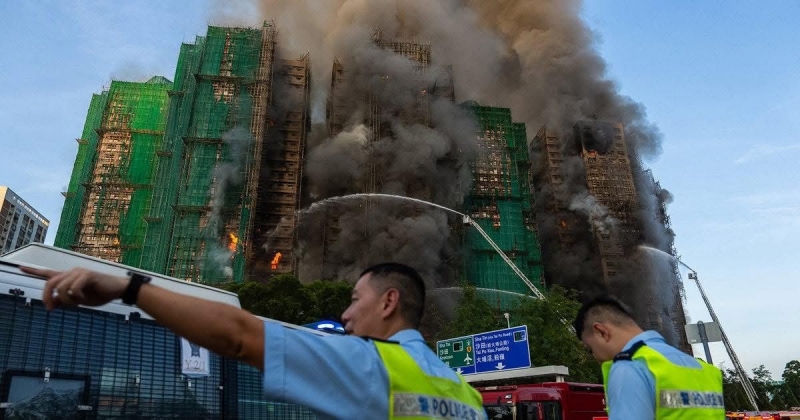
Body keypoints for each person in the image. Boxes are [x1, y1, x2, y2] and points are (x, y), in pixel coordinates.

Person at [22, 262, 487, 420]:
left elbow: (238, 335)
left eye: (353, 299)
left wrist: (129, 289)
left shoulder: (370, 364)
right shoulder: (467, 397)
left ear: (388, 302)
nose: (345, 314)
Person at [574, 296, 725, 419]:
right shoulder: (707, 371)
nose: (595, 356)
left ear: (601, 332)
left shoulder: (630, 366)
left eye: (590, 349)